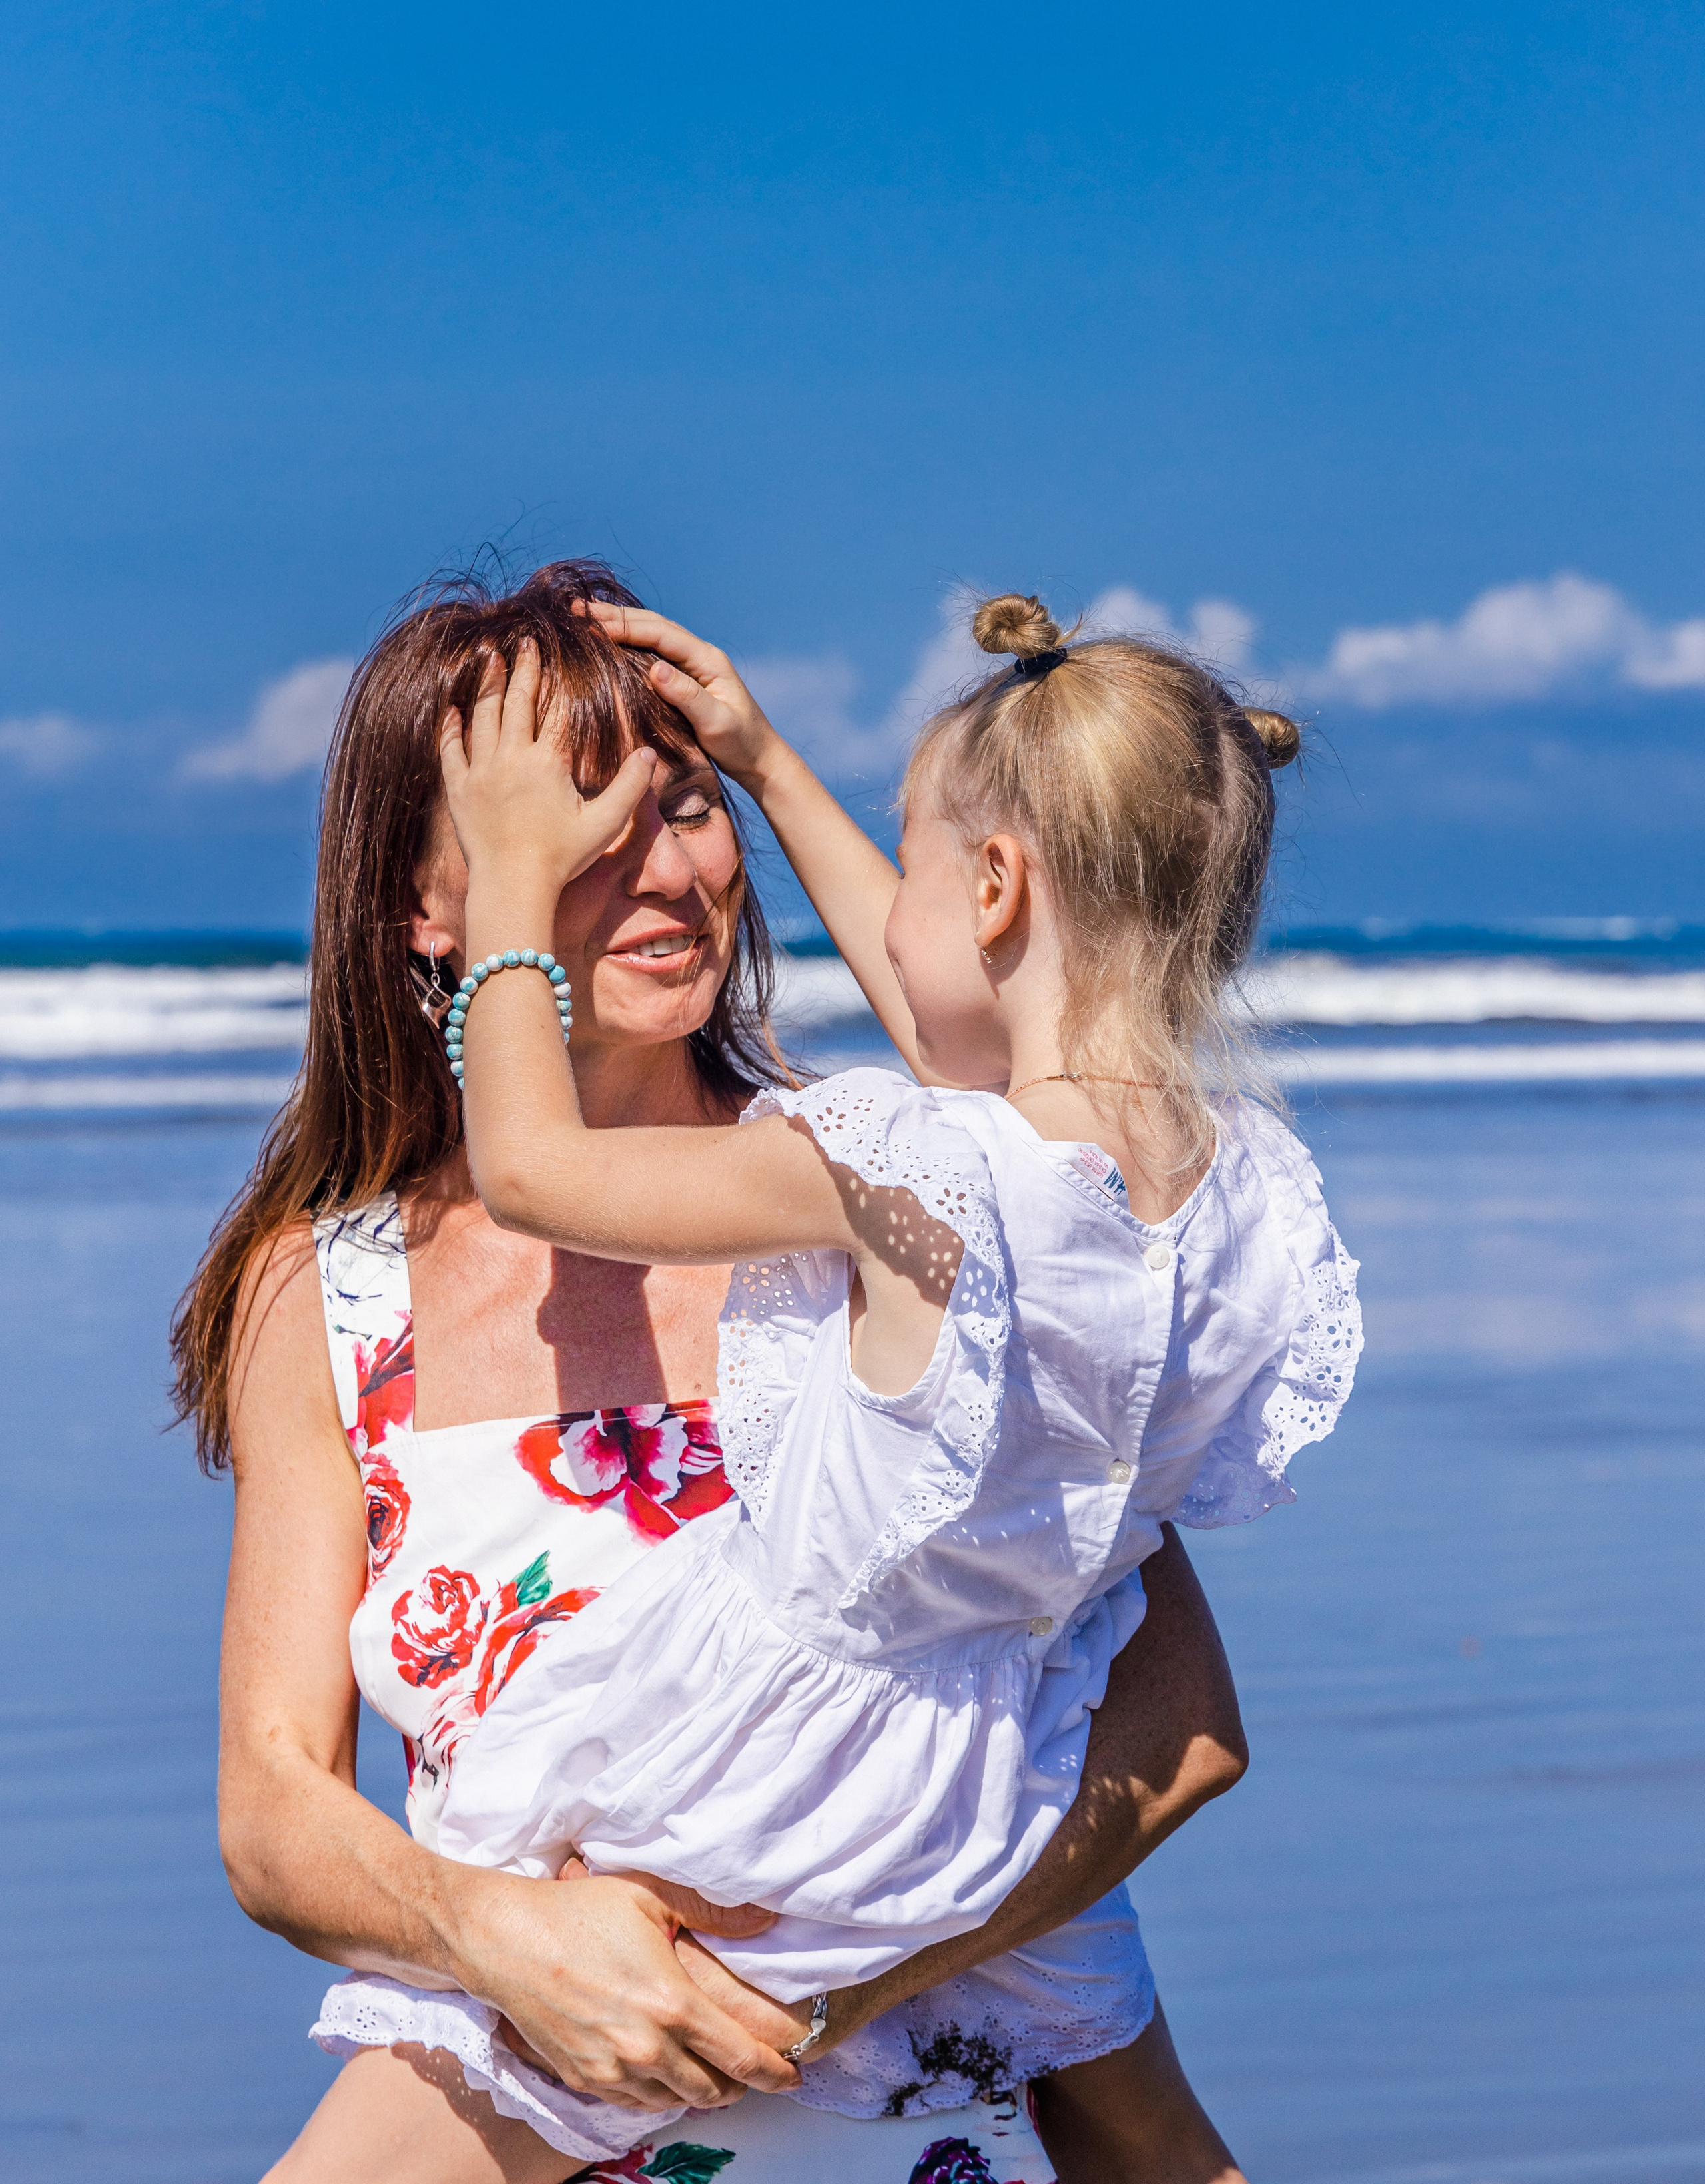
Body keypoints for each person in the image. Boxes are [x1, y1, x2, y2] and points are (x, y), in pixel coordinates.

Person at [173, 560, 1255, 2184]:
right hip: (519, 2104)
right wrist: (503, 1940)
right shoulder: (328, 1301)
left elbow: (1173, 1708)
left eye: (682, 805)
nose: (658, 867)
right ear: (425, 900)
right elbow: (273, 1805)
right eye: (564, 822)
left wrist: (816, 1979)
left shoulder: (885, 1200)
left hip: (923, 2123)